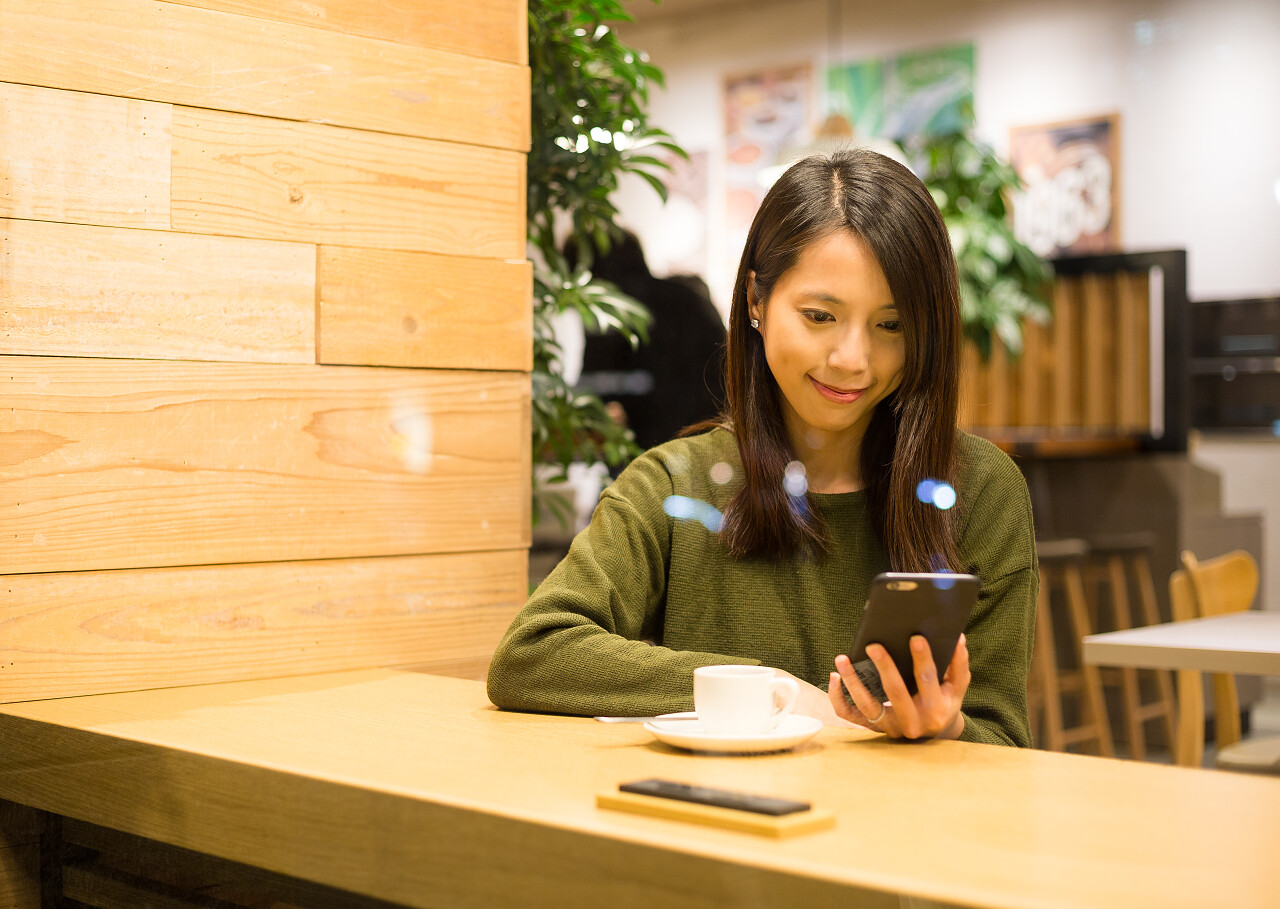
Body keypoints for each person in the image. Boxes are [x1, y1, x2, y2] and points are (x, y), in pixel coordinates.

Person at [488, 149, 1038, 746]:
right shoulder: (675, 484)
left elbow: (1004, 739)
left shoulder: (979, 489)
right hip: (720, 830)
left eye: (892, 326)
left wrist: (948, 729)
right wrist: (767, 687)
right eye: (820, 315)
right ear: (756, 301)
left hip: (903, 836)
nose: (852, 359)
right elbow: (532, 653)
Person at [575, 231, 726, 451]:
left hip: (661, 448)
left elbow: (594, 385)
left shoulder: (613, 313)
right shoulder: (686, 296)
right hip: (715, 435)